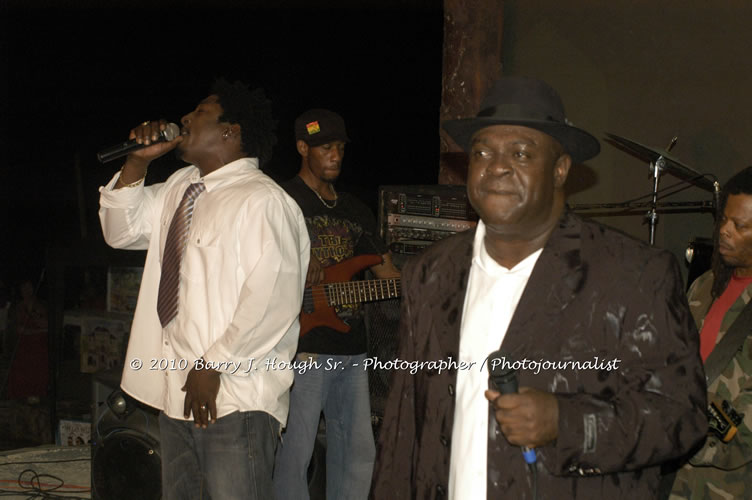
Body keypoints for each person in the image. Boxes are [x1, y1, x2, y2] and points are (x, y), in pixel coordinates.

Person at [371, 76, 708, 499]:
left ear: (560, 169)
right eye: (482, 152)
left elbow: (681, 415)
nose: (496, 166)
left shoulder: (633, 275)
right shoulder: (430, 272)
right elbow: (403, 424)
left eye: (521, 153)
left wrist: (566, 423)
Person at [98, 79, 310, 499]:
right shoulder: (181, 186)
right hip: (176, 392)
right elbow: (120, 232)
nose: (185, 118)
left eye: (200, 112)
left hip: (235, 396)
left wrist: (212, 366)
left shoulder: (262, 200)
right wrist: (137, 162)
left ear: (230, 131)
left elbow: (273, 298)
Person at [273, 109, 400, 499]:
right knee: (297, 450)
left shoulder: (354, 209)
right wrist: (298, 256)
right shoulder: (281, 199)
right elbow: (254, 257)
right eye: (325, 147)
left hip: (352, 349)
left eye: (340, 148)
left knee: (357, 452)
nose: (336, 155)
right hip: (303, 347)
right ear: (302, 148)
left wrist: (432, 282)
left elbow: (387, 273)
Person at [670, 167, 752, 499]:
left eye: (740, 226)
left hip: (730, 484)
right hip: (678, 476)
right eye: (723, 220)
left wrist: (677, 439)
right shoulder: (705, 285)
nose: (724, 232)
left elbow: (744, 435)